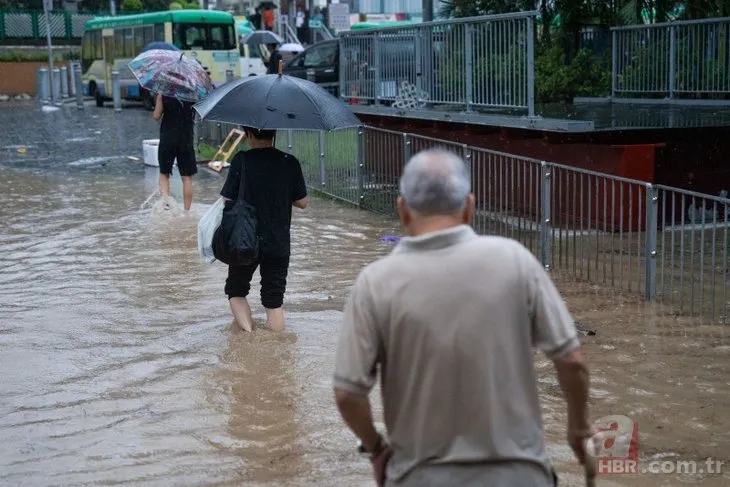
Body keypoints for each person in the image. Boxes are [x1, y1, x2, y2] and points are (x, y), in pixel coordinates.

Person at [332, 149, 594, 486]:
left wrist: (377, 449)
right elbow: (572, 361)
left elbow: (347, 394)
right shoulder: (515, 260)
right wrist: (578, 426)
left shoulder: (375, 282)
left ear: (402, 210)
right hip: (521, 476)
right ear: (469, 207)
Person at [219, 127, 308, 332]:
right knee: (274, 301)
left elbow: (228, 199)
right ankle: (275, 350)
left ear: (249, 135)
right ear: (274, 133)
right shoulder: (290, 162)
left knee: (236, 291)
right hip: (278, 242)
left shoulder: (242, 160)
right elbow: (303, 202)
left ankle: (249, 337)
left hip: (244, 241)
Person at [152, 93, 197, 211]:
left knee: (164, 173)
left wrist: (159, 101)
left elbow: (156, 116)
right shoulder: (192, 95)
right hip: (186, 139)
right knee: (186, 177)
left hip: (168, 139)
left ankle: (165, 207)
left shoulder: (163, 95)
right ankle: (187, 211)